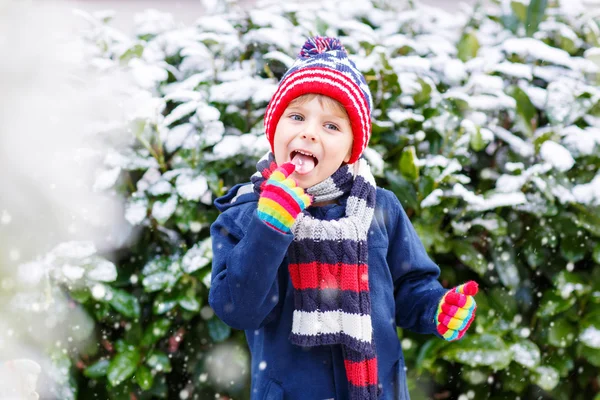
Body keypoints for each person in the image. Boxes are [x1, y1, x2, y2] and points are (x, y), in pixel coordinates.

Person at [209, 36, 478, 400]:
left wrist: (437, 308)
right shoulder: (245, 216)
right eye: (297, 116)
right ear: (274, 129)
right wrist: (269, 227)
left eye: (331, 126)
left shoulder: (381, 210)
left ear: (353, 148)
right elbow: (238, 310)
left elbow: (410, 286)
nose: (309, 132)